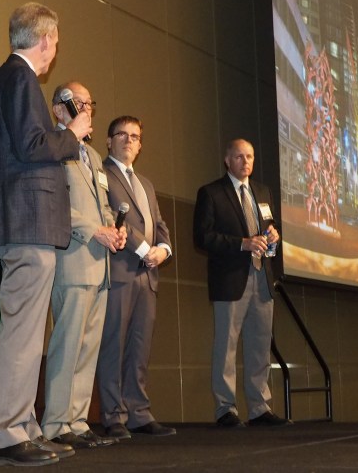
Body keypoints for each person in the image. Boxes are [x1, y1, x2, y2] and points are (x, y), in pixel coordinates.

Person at [0, 2, 92, 466]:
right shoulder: (21, 78)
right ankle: (8, 435)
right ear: (45, 39)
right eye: (56, 41)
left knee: (27, 334)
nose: (56, 50)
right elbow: (32, 146)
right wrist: (73, 133)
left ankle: (23, 428)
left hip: (24, 222)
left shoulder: (9, 78)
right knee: (22, 335)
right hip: (26, 221)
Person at [40, 82, 126, 449]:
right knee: (68, 346)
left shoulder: (91, 155)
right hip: (72, 262)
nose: (87, 109)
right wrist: (94, 230)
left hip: (100, 265)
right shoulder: (53, 147)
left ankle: (76, 421)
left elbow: (103, 205)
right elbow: (55, 205)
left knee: (88, 348)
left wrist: (115, 230)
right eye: (79, 103)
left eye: (90, 103)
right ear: (59, 109)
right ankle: (55, 424)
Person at [193, 139, 287, 428]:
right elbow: (202, 237)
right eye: (239, 157)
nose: (245, 162)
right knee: (227, 346)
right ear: (227, 160)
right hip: (230, 278)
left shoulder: (263, 192)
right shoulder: (211, 193)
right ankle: (226, 409)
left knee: (260, 345)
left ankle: (259, 407)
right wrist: (242, 243)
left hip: (262, 277)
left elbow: (269, 226)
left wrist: (274, 236)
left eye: (250, 157)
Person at [95, 116, 176, 439]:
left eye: (135, 136)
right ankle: (113, 415)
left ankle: (138, 413)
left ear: (141, 145)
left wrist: (164, 250)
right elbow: (113, 219)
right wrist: (145, 249)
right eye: (122, 135)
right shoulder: (101, 173)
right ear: (108, 141)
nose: (129, 140)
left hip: (148, 274)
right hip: (120, 271)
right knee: (113, 346)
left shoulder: (146, 184)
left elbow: (160, 225)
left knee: (140, 348)